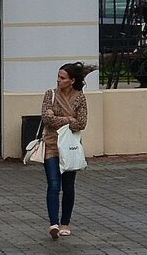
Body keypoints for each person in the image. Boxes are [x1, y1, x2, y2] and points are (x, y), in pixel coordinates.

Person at [41, 61, 93, 239]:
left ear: (71, 80)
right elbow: (47, 119)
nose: (58, 80)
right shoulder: (50, 94)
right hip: (51, 145)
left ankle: (65, 223)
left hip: (70, 147)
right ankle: (53, 223)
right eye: (58, 77)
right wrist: (68, 119)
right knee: (53, 185)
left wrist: (61, 118)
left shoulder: (80, 97)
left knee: (68, 186)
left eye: (62, 78)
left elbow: (81, 123)